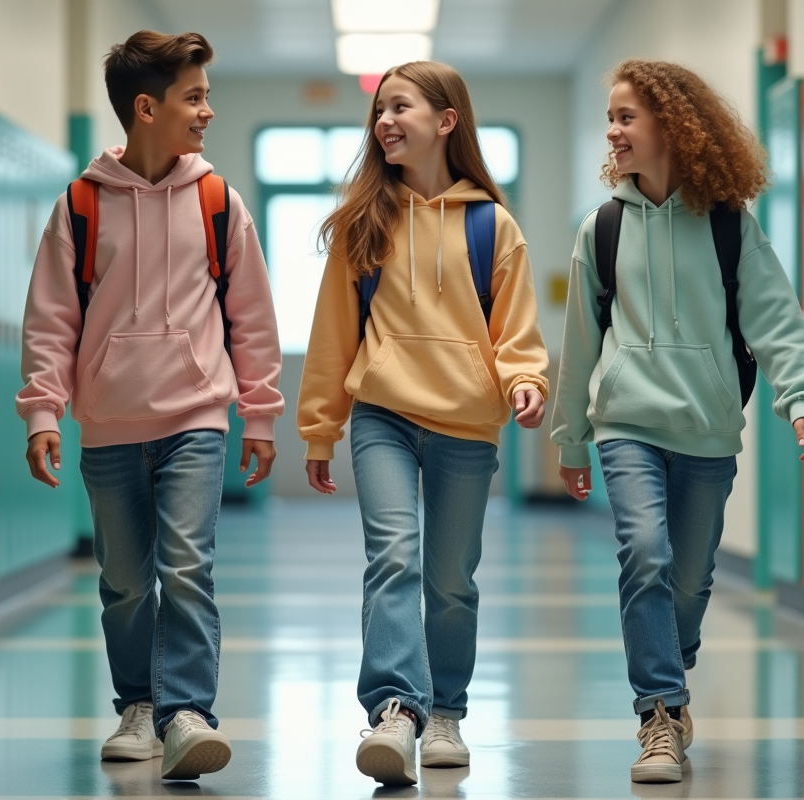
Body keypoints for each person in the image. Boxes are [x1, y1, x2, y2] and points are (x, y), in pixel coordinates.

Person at [16, 30, 284, 781]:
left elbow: (252, 320)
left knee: (188, 566)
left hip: (196, 417)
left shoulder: (217, 200)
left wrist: (258, 413)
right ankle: (138, 704)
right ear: (146, 108)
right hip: (108, 422)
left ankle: (187, 712)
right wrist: (44, 410)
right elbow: (51, 319)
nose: (206, 110)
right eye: (193, 97)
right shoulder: (80, 205)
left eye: (205, 95)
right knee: (127, 579)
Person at [551, 59, 804, 784]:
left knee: (690, 578)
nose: (612, 131)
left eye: (625, 118)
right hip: (626, 424)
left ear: (672, 126)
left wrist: (801, 394)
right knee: (645, 551)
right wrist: (570, 437)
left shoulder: (729, 224)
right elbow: (581, 341)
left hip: (705, 425)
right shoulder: (602, 227)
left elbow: (772, 314)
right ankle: (659, 714)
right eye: (609, 117)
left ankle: (670, 675)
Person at [297, 61, 549, 786]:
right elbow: (332, 336)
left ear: (446, 120)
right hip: (384, 415)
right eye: (378, 110)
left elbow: (517, 335)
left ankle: (446, 713)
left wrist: (525, 384)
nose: (383, 121)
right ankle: (396, 710)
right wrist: (322, 426)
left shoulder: (491, 225)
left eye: (398, 106)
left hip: (466, 425)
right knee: (394, 558)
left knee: (451, 581)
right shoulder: (363, 223)